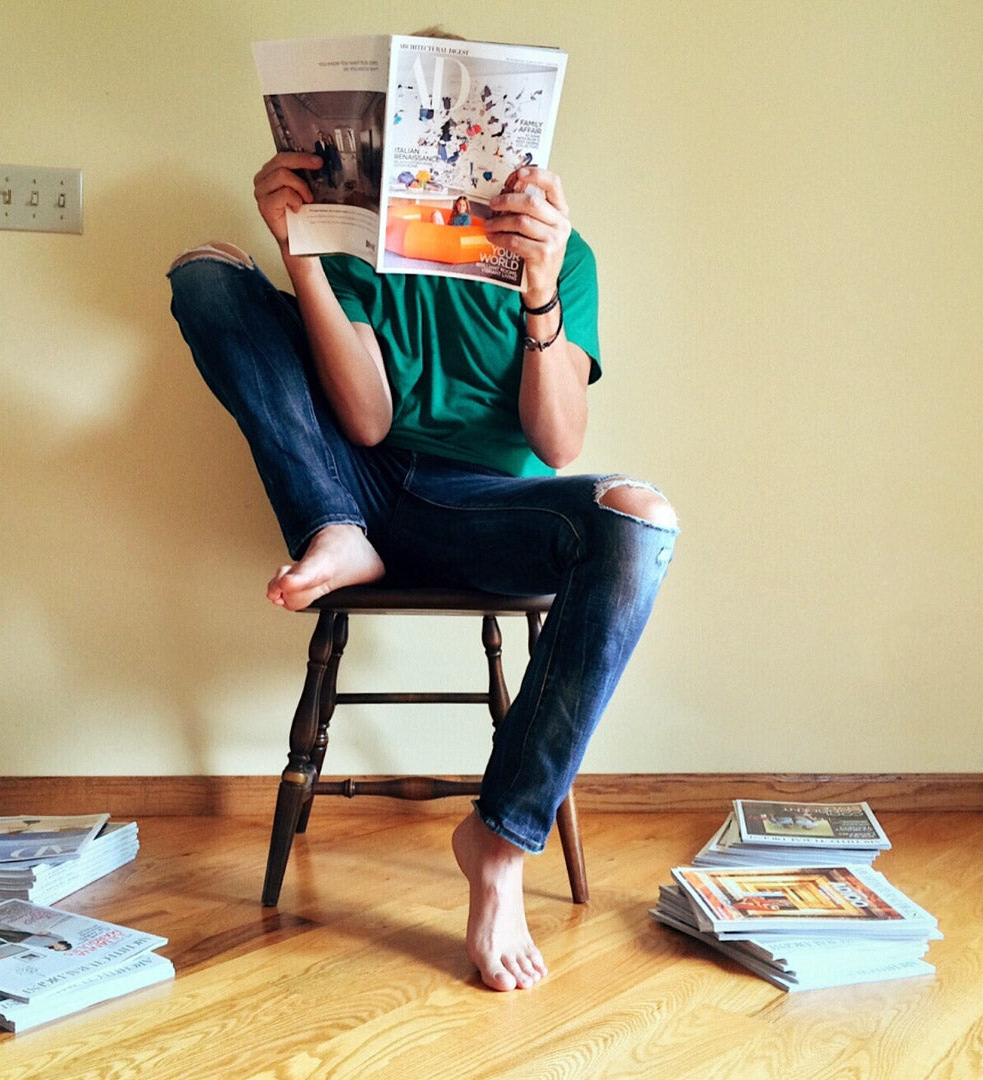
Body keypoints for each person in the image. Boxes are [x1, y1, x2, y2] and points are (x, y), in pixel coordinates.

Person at [168, 145, 678, 992]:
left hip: (477, 508)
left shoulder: (563, 254)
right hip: (354, 474)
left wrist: (540, 290)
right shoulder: (358, 245)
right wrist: (302, 251)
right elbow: (366, 420)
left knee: (640, 520)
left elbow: (558, 443)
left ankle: (502, 843)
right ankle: (334, 528)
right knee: (208, 275)